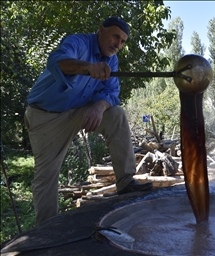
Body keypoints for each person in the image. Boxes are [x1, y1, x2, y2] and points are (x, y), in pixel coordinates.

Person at [24, 17, 152, 226]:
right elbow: (57, 61)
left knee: (116, 114)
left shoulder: (112, 60)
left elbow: (112, 92)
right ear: (101, 30)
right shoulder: (78, 42)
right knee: (46, 176)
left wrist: (98, 106)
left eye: (122, 41)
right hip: (45, 116)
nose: (118, 45)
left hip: (76, 111)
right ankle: (46, 231)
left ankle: (126, 182)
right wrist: (86, 67)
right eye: (115, 37)